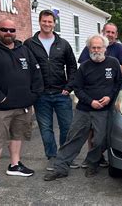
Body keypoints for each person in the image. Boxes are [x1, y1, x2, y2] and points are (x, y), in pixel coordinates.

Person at [43, 34, 122, 181]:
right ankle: (60, 168)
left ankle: (93, 163)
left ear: (105, 48)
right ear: (88, 48)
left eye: (99, 47)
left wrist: (110, 97)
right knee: (73, 138)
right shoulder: (84, 67)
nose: (96, 50)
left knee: (100, 140)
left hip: (104, 110)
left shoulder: (114, 63)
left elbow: (118, 84)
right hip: (84, 109)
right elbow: (77, 88)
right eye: (93, 47)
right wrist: (91, 101)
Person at [0, 19, 44, 189]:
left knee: (17, 135)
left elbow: (36, 72)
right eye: (4, 29)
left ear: (15, 32)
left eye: (12, 30)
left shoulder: (24, 50)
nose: (8, 32)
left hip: (23, 106)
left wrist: (33, 95)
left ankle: (15, 165)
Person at [24, 10, 78, 171]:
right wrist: (33, 90)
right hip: (41, 95)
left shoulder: (63, 44)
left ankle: (65, 156)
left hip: (61, 93)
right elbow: (25, 68)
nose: (47, 24)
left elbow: (72, 66)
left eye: (50, 21)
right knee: (46, 128)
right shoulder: (30, 44)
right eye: (44, 21)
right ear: (39, 22)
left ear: (54, 23)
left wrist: (69, 87)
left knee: (67, 127)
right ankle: (52, 157)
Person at [77, 22, 122, 168]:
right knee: (90, 130)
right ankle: (92, 157)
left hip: (109, 95)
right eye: (108, 31)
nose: (110, 34)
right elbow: (83, 63)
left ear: (116, 35)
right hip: (89, 96)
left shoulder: (118, 48)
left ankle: (97, 156)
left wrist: (113, 72)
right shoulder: (94, 44)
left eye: (113, 32)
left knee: (104, 130)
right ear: (103, 32)